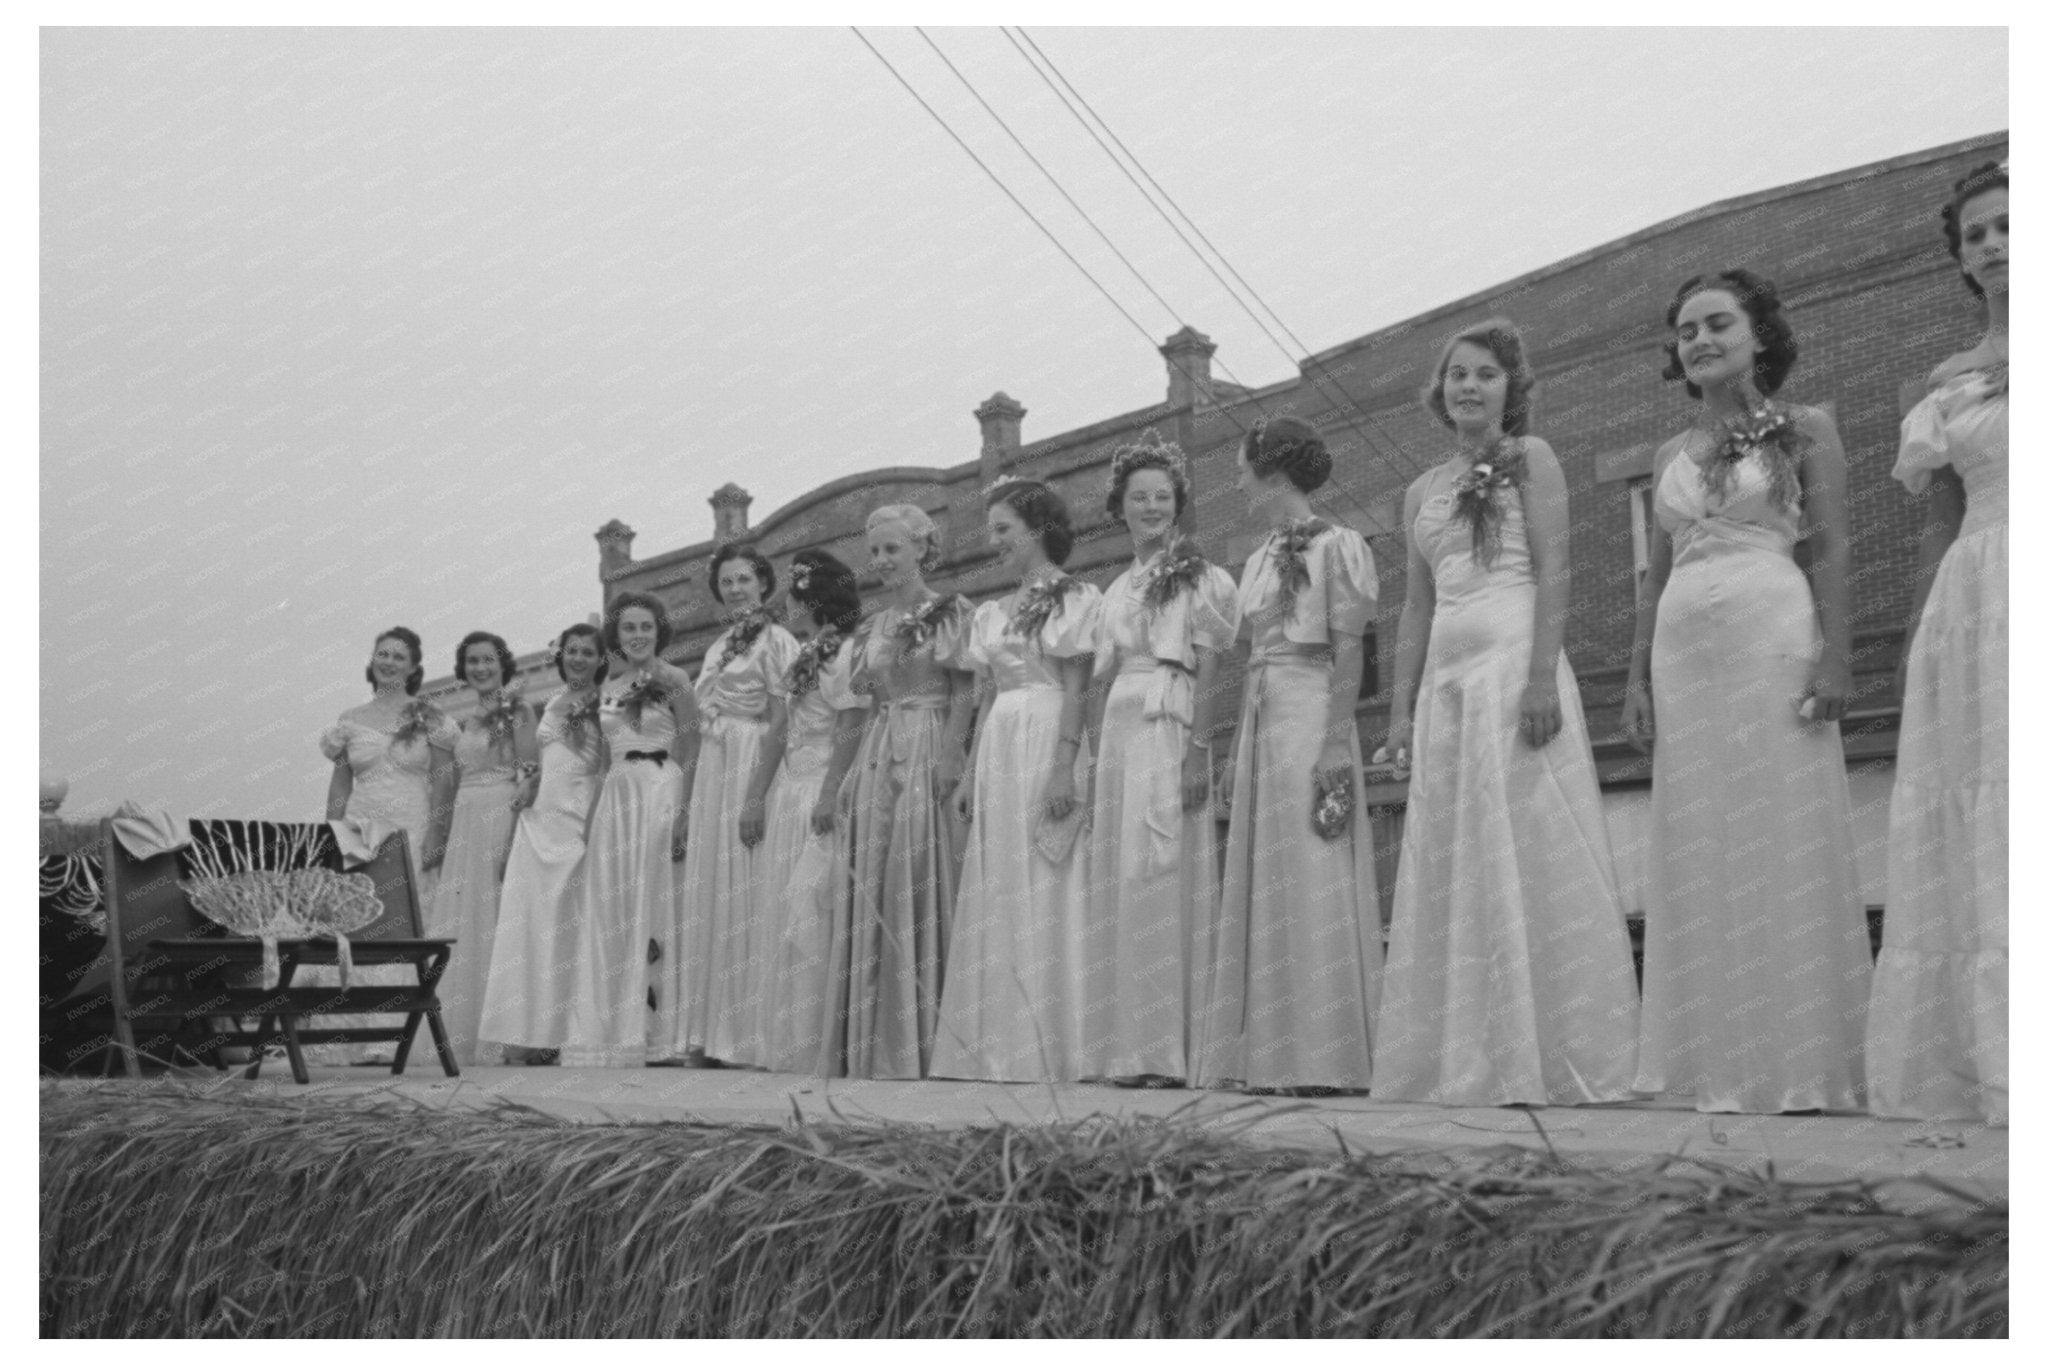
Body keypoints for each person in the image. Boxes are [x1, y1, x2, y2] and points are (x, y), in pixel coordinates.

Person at [1621, 269, 1871, 1114]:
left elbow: (1830, 547)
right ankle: (1713, 1059)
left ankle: (1800, 1061)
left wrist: (1836, 658)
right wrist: (1635, 676)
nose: (1699, 340)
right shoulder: (1668, 457)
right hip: (1683, 655)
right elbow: (1654, 580)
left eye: (1717, 323)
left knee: (1780, 825)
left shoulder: (1806, 429)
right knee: (1699, 835)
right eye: (1686, 330)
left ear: (1759, 334)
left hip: (1771, 632)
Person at [1370, 323, 1639, 1107]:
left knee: (1530, 839)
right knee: (1454, 851)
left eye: (1486, 374)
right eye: (1457, 373)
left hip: (1514, 660)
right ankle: (1464, 1054)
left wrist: (1540, 677)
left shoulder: (1533, 458)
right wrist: (1399, 712)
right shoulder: (1421, 491)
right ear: (1440, 390)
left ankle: (1553, 1051)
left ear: (1510, 387)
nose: (1469, 386)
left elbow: (1556, 567)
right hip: (1447, 682)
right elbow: (1415, 606)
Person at [1867, 161, 2008, 1125]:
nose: (1993, 245)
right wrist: (1921, 628)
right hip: (1977, 592)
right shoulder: (1949, 381)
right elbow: (1939, 517)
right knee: (1981, 801)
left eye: (2009, 226)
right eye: (1976, 235)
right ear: (1960, 259)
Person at [1192, 416, 1383, 1094]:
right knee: (1267, 870)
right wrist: (1231, 750)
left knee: (1312, 859)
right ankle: (1273, 1053)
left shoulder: (1339, 546)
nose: (1239, 482)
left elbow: (1350, 648)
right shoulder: (1256, 558)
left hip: (1310, 711)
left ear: (1270, 469)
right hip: (1261, 715)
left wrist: (1335, 739)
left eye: (1244, 469)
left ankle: (1327, 1055)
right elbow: (1250, 654)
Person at [932, 477, 1103, 1083]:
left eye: (1004, 529)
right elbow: (984, 696)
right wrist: (968, 775)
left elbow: (1078, 687)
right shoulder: (990, 613)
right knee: (1001, 876)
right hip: (1001, 742)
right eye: (993, 531)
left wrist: (1064, 765)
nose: (995, 541)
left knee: (1049, 872)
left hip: (1047, 732)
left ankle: (1055, 1043)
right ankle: (999, 1042)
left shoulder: (1075, 597)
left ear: (1037, 530)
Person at [1087, 431, 1241, 1088]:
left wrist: (1199, 751)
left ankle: (1174, 1048)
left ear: (1177, 503)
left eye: (1162, 496)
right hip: (1121, 728)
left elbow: (1211, 667)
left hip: (1170, 721)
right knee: (1125, 877)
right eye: (1138, 497)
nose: (1151, 507)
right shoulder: (1114, 589)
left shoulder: (1202, 578)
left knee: (1163, 869)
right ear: (1119, 507)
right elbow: (1102, 675)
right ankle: (1128, 1048)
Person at [819, 504, 974, 1079]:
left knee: (919, 873)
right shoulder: (871, 627)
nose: (881, 561)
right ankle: (874, 1040)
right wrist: (841, 781)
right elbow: (861, 708)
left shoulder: (951, 611)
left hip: (928, 741)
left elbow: (965, 689)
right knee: (875, 882)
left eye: (892, 549)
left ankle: (925, 1038)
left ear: (922, 549)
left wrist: (953, 753)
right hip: (879, 751)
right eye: (875, 552)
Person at [563, 593, 701, 1067]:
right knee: (615, 906)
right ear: (616, 635)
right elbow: (604, 761)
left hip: (660, 790)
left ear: (659, 631)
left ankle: (659, 1032)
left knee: (656, 898)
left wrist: (686, 811)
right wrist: (591, 821)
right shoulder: (609, 686)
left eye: (646, 627)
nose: (638, 635)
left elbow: (692, 744)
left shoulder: (676, 679)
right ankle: (612, 1029)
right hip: (617, 801)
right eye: (628, 628)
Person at [677, 544, 800, 1067]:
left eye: (744, 579)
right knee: (713, 889)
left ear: (764, 583)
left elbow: (783, 718)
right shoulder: (719, 646)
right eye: (726, 582)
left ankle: (748, 1035)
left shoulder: (778, 640)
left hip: (752, 759)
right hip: (715, 766)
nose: (735, 590)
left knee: (747, 886)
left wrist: (755, 796)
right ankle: (710, 1034)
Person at [315, 626, 456, 1063]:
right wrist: (331, 834)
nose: (389, 662)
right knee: (358, 922)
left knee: (404, 922)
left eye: (399, 656)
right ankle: (350, 1034)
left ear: (413, 668)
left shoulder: (429, 716)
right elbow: (341, 784)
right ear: (372, 660)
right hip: (360, 830)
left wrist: (437, 833)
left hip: (410, 827)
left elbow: (443, 779)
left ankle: (394, 1036)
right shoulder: (350, 719)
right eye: (383, 654)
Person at [755, 551, 870, 1073]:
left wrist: (830, 791)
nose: (786, 603)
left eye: (794, 594)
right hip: (791, 792)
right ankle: (790, 1038)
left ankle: (821, 1039)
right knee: (789, 909)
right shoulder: (804, 655)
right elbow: (781, 730)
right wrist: (759, 794)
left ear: (814, 599)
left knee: (815, 907)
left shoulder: (844, 654)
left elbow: (851, 722)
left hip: (822, 788)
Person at [479, 623, 608, 1064]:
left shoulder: (606, 703)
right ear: (561, 655)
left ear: (600, 659)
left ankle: (565, 1031)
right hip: (538, 822)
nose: (578, 659)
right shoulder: (551, 703)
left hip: (577, 818)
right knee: (531, 926)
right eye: (572, 651)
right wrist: (525, 791)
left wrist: (595, 824)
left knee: (568, 924)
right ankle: (529, 1031)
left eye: (587, 652)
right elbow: (540, 765)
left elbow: (605, 768)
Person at [424, 630, 536, 1068]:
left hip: (500, 811)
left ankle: (503, 1031)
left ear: (502, 663)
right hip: (465, 819)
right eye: (472, 661)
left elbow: (529, 773)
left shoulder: (518, 710)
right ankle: (462, 1028)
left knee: (496, 916)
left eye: (488, 660)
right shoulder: (466, 720)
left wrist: (514, 834)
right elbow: (449, 781)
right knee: (465, 917)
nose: (481, 668)